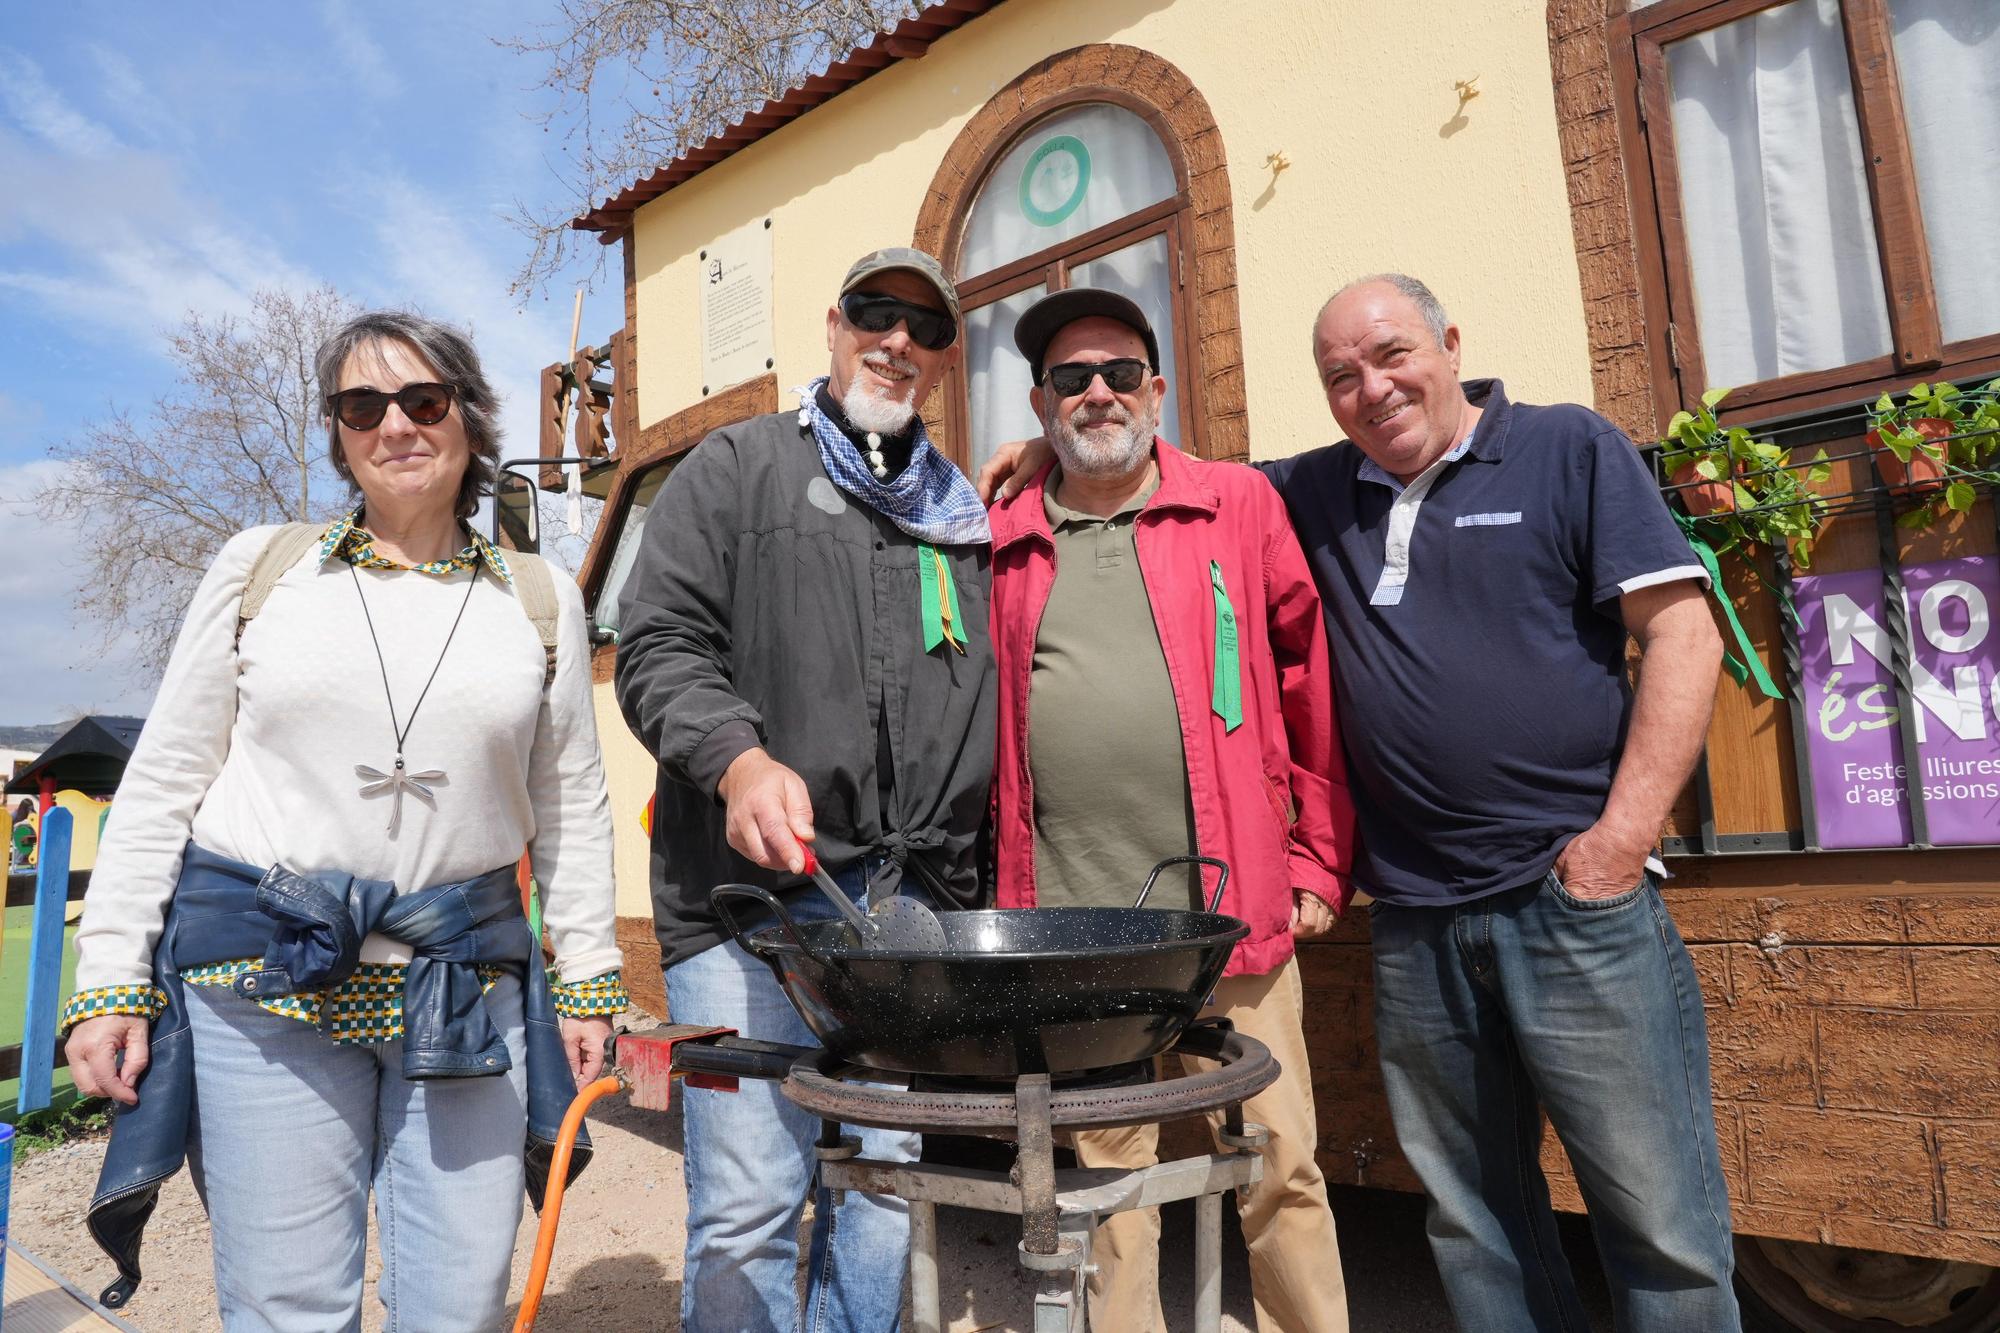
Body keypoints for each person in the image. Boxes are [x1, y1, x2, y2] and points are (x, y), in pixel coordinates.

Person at [982, 273, 1737, 1331]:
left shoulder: (1558, 449)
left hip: (1545, 901)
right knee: (1470, 1215)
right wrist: (1032, 463)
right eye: (1342, 375)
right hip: (1392, 914)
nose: (1371, 389)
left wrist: (1613, 843)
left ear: (1449, 343)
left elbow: (1681, 634)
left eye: (1391, 357)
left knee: (1650, 1216)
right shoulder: (1298, 492)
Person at [61, 310, 627, 1331]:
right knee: (286, 1308)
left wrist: (587, 981)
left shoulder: (537, 599)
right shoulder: (261, 572)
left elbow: (570, 803)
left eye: (423, 399)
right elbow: (164, 781)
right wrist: (107, 982)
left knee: (456, 1304)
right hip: (262, 989)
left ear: (469, 413)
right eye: (363, 405)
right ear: (338, 431)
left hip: (462, 988)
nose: (396, 424)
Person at [614, 247, 996, 1333]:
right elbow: (656, 645)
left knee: (878, 1189)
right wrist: (736, 757)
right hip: (743, 909)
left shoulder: (959, 515)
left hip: (900, 914)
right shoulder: (733, 469)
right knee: (746, 1206)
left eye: (925, 328)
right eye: (876, 312)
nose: (897, 340)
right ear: (833, 324)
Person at [986, 288, 1357, 1333]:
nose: (1096, 393)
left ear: (1157, 389)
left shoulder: (1236, 505)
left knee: (1278, 1162)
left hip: (1231, 906)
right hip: (1073, 924)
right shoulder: (1000, 529)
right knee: (1105, 1185)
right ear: (1038, 401)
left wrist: (1317, 862)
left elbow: (1306, 683)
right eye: (1070, 379)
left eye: (1117, 373)